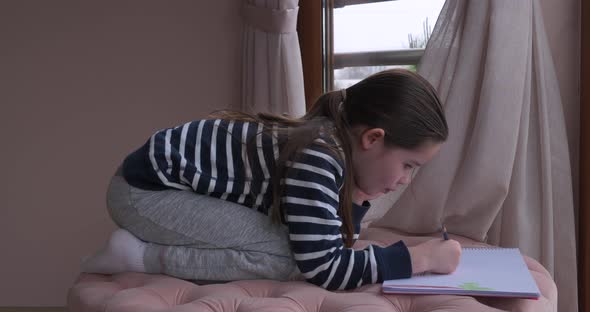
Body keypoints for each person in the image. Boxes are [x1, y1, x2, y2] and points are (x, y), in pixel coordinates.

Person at [82, 68, 461, 290]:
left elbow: (338, 238)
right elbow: (323, 267)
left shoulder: (333, 148)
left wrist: (358, 197)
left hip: (160, 183)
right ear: (373, 139)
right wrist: (418, 259)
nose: (406, 180)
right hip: (144, 191)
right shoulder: (319, 155)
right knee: (288, 256)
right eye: (409, 165)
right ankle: (138, 255)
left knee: (299, 246)